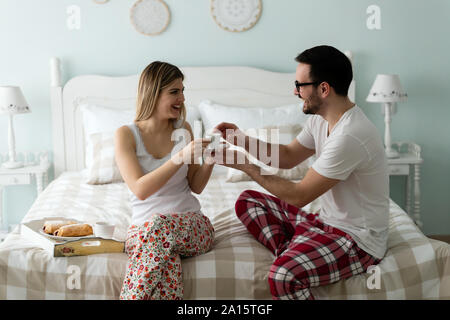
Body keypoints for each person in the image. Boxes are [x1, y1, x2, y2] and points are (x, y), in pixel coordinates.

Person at [214, 45, 389, 300]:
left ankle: (293, 256)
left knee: (282, 277)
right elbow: (287, 156)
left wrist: (247, 167)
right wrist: (241, 139)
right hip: (325, 223)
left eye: (299, 84)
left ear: (324, 89)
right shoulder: (320, 119)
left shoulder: (351, 135)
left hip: (357, 240)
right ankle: (294, 250)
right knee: (247, 201)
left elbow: (298, 196)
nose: (295, 91)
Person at [115, 61, 215, 300]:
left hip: (192, 226)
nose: (181, 98)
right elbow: (140, 189)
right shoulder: (126, 135)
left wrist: (211, 159)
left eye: (182, 91)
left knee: (159, 228)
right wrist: (180, 157)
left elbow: (196, 186)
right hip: (144, 231)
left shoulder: (184, 129)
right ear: (153, 93)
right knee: (166, 263)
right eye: (174, 92)